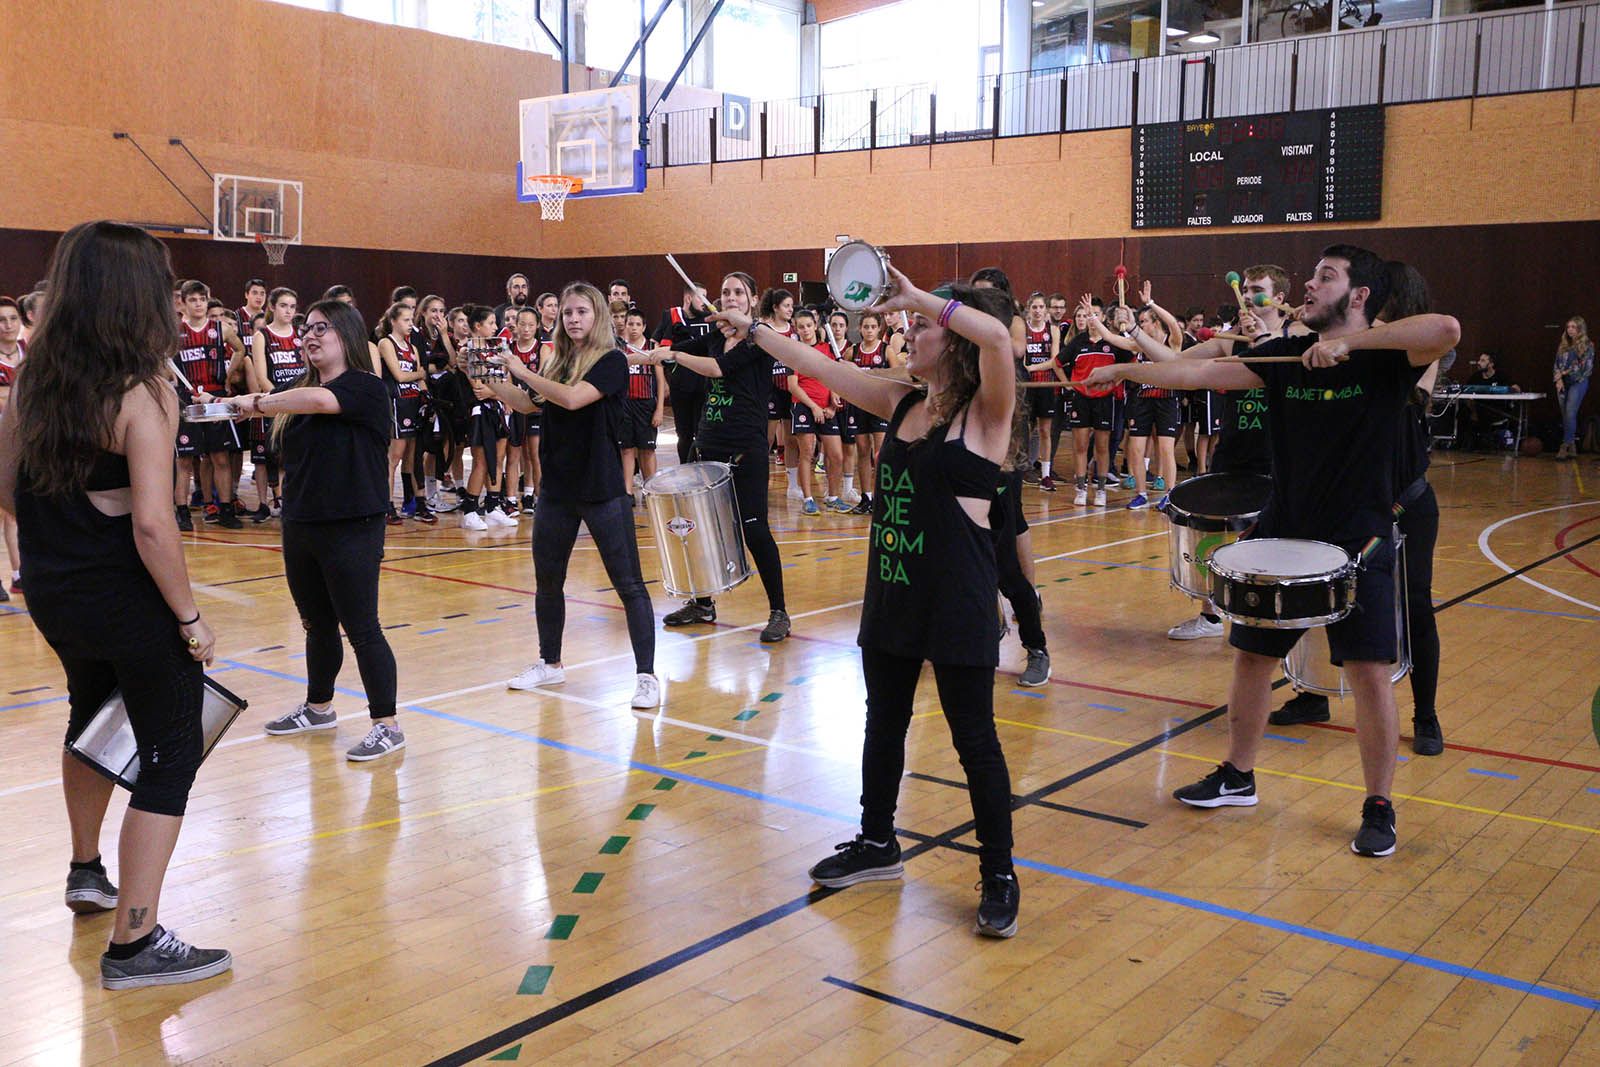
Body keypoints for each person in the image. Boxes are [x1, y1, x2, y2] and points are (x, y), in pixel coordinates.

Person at [1088, 244, 1460, 857]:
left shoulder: (1389, 358)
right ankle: (1238, 776)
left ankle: (1379, 805)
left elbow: (1446, 329)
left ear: (1359, 295)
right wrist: (1125, 372)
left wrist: (1353, 345)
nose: (1308, 287)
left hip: (1359, 534)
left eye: (1325, 277)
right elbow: (1195, 373)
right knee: (1251, 657)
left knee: (1368, 673)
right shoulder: (1282, 356)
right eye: (1312, 276)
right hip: (1283, 527)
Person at [715, 269, 1021, 936]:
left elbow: (999, 338)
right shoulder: (903, 402)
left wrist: (922, 299)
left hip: (959, 601)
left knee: (976, 741)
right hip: (894, 592)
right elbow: (816, 361)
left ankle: (998, 873)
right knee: (883, 721)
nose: (908, 332)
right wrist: (755, 329)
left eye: (921, 328)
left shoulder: (987, 414)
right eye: (909, 322)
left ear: (955, 340)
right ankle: (877, 841)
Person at [0, 220, 231, 988]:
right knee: (173, 749)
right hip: (122, 594)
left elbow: (5, 486)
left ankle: (85, 869)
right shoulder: (142, 389)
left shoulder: (33, 381)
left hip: (54, 590)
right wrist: (192, 621)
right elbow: (155, 524)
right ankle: (135, 943)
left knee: (92, 719)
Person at [239, 299, 407, 762]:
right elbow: (300, 405)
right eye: (307, 329)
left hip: (353, 525)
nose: (310, 335)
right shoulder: (297, 390)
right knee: (316, 624)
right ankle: (318, 708)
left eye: (323, 328)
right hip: (302, 523)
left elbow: (320, 401)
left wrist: (255, 402)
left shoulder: (366, 387)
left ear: (348, 336)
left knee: (363, 628)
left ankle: (386, 724)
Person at [486, 283, 660, 710]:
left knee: (629, 585)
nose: (574, 319)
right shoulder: (558, 359)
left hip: (601, 488)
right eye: (567, 313)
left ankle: (646, 676)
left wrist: (521, 370)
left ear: (597, 315)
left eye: (582, 311)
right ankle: (550, 663)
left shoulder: (612, 360)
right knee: (548, 581)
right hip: (557, 489)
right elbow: (530, 405)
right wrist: (490, 382)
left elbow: (571, 398)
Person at [644, 273, 790, 642]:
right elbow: (666, 346)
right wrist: (631, 354)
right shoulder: (712, 338)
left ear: (753, 299)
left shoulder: (760, 340)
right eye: (725, 292)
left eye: (738, 292)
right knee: (700, 528)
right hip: (708, 444)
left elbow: (717, 369)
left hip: (746, 448)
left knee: (754, 529)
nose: (730, 297)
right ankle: (703, 603)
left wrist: (674, 355)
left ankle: (779, 612)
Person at [175, 280, 248, 529]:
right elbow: (158, 359)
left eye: (202, 299)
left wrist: (227, 377)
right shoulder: (174, 331)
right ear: (182, 303)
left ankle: (226, 510)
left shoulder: (222, 329)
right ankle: (182, 512)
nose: (198, 304)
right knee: (184, 460)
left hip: (215, 395)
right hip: (186, 399)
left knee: (221, 457)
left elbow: (240, 350)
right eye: (193, 300)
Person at [246, 286, 303, 522]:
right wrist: (282, 400)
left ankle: (298, 500)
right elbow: (261, 377)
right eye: (283, 305)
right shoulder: (263, 336)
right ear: (272, 307)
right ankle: (279, 501)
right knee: (277, 458)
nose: (288, 311)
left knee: (300, 457)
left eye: (292, 306)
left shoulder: (301, 334)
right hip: (277, 403)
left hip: (301, 404)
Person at [786, 308, 847, 515]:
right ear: (796, 328)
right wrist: (813, 407)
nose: (805, 330)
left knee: (836, 455)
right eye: (801, 327)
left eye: (808, 326)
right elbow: (793, 386)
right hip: (804, 406)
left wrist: (831, 405)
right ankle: (808, 498)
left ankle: (833, 497)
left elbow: (833, 377)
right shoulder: (794, 352)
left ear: (815, 325)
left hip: (826, 407)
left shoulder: (826, 349)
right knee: (807, 452)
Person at [376, 302, 431, 524]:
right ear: (394, 321)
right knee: (395, 456)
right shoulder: (385, 343)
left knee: (414, 455)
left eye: (411, 320)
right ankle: (387, 504)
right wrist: (419, 373)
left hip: (414, 401)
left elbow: (421, 379)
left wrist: (427, 398)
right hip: (397, 402)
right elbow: (400, 376)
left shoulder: (413, 348)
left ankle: (418, 502)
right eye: (406, 320)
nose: (411, 324)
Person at [655, 283, 712, 464]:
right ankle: (686, 468)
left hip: (706, 384)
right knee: (684, 433)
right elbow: (659, 348)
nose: (705, 302)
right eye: (700, 297)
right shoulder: (671, 316)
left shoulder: (711, 318)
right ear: (688, 298)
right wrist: (663, 381)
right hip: (681, 385)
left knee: (703, 431)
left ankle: (705, 470)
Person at [1019, 293, 1068, 491]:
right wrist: (1027, 369)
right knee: (1024, 429)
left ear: (1045, 310)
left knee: (1045, 430)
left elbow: (1054, 360)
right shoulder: (1022, 330)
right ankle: (1023, 468)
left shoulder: (1053, 330)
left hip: (1046, 385)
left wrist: (1032, 368)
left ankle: (1046, 474)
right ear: (1029, 309)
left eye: (1041, 307)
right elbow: (1021, 359)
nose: (1038, 311)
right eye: (1034, 307)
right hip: (1027, 386)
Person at [619, 309, 665, 502]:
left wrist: (659, 408)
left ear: (644, 327)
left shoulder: (651, 348)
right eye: (631, 323)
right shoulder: (620, 348)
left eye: (638, 324)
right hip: (625, 404)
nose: (634, 328)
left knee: (647, 450)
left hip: (646, 404)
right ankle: (627, 492)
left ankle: (650, 490)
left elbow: (661, 381)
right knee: (627, 449)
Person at [0, 296, 25, 599]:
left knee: (14, 511)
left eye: (12, 319)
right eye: (1, 320)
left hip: (22, 438)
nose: (7, 325)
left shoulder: (30, 353)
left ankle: (20, 574)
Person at [1554, 316, 1593, 459]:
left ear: (1580, 329)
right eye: (1568, 327)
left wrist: (1564, 373)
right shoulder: (1563, 345)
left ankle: (1565, 445)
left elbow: (1584, 368)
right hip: (1563, 382)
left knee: (1570, 412)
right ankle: (1572, 446)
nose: (1570, 330)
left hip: (1579, 382)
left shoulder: (1588, 345)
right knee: (1566, 415)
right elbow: (1557, 364)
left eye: (1573, 327)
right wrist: (1558, 379)